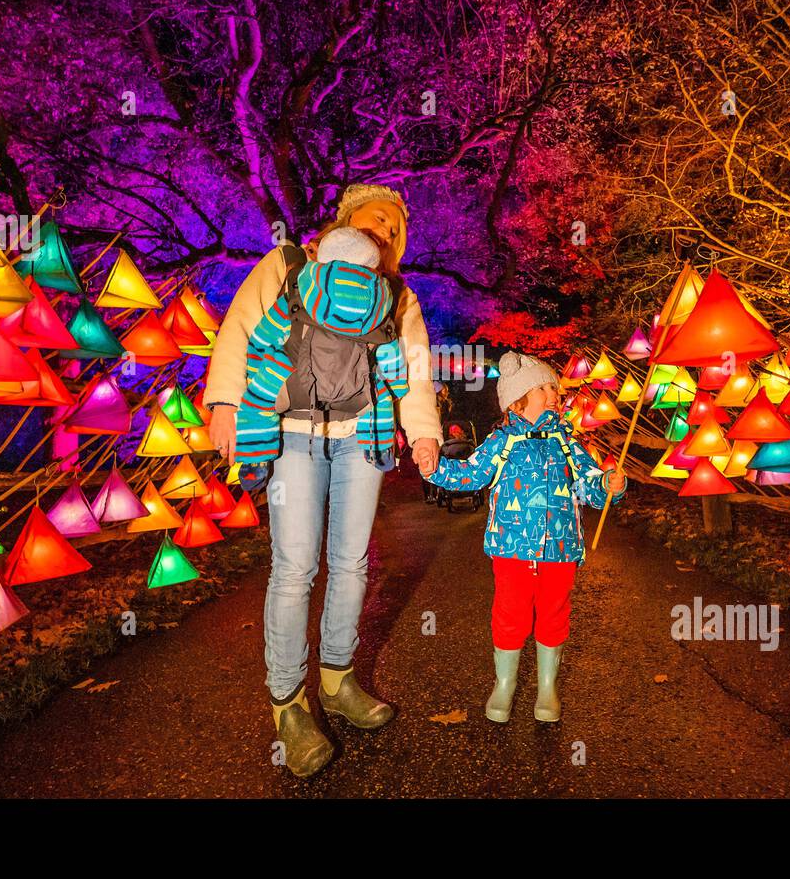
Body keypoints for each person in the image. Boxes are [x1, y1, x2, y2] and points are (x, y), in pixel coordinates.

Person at [204, 184, 442, 778]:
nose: (386, 227)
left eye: (396, 227)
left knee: (354, 561)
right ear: (345, 218)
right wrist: (225, 402)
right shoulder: (289, 265)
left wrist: (423, 432)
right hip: (291, 434)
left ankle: (337, 679)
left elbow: (411, 368)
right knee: (294, 566)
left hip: (363, 436)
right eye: (377, 216)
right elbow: (241, 329)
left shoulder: (397, 295)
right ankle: (288, 704)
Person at [420, 351, 627, 723]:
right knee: (509, 615)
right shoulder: (503, 442)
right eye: (544, 387)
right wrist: (436, 470)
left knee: (553, 613)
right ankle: (505, 683)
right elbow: (470, 474)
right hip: (511, 548)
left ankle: (547, 688)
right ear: (518, 399)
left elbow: (591, 487)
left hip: (560, 548)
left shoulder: (567, 442)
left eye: (555, 388)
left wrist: (610, 484)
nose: (554, 394)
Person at [233, 226, 408, 468]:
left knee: (257, 400)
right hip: (356, 389)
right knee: (380, 400)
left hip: (293, 381)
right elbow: (390, 349)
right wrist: (397, 387)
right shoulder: (380, 300)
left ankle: (255, 460)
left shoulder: (300, 289)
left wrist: (255, 371)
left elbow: (264, 337)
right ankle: (378, 447)